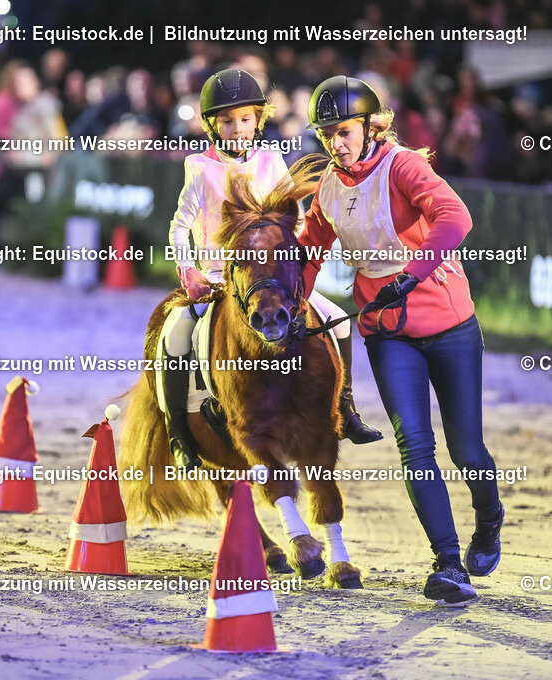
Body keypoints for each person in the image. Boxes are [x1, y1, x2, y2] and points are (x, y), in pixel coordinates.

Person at [298, 76, 504, 606]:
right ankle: (448, 564)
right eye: (327, 134)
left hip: (450, 324)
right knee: (415, 446)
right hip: (388, 334)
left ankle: (490, 518)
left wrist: (410, 276)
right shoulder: (327, 189)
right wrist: (286, 301)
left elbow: (456, 217)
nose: (335, 143)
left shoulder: (404, 165)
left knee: (467, 449)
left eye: (343, 131)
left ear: (369, 127)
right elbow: (308, 250)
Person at [161, 68, 382, 472]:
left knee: (339, 321)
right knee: (175, 333)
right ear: (212, 124)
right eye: (227, 122)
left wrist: (292, 260)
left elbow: (294, 219)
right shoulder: (199, 167)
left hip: (273, 279)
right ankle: (178, 430)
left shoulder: (270, 160)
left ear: (258, 120)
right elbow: (179, 227)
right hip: (219, 278)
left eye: (245, 120)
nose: (237, 129)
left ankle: (345, 408)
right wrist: (187, 269)